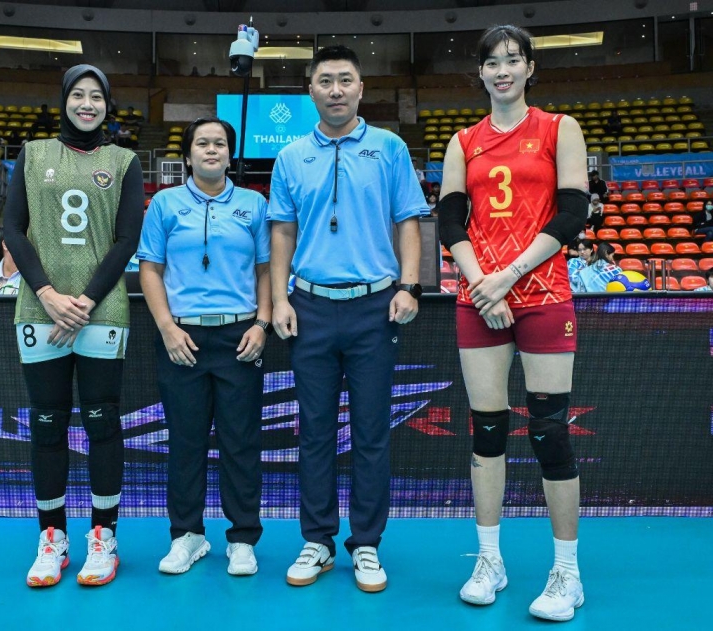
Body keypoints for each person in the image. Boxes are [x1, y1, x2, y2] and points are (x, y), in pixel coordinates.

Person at [438, 25, 589, 621]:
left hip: (543, 294)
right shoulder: (463, 141)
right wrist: (484, 285)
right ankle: (489, 561)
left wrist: (508, 277)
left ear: (529, 68)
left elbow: (572, 212)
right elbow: (451, 220)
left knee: (550, 431)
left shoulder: (558, 128)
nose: (502, 71)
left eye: (512, 60)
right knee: (487, 431)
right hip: (481, 299)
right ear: (480, 73)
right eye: (492, 62)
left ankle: (567, 572)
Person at [269, 45, 426, 593]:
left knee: (370, 433)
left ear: (361, 88)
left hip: (374, 308)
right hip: (310, 307)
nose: (335, 90)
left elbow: (408, 220)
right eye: (325, 81)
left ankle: (366, 544)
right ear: (310, 90)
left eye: (345, 80)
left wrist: (409, 285)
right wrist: (280, 299)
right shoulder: (291, 156)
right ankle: (317, 540)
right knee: (313, 431)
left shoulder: (390, 148)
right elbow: (282, 231)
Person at [3, 64, 144, 588]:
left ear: (108, 105)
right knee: (47, 423)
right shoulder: (34, 152)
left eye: (97, 97)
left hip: (101, 312)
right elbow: (12, 229)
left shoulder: (124, 161)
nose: (88, 104)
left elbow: (126, 240)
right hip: (39, 309)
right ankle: (52, 538)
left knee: (103, 421)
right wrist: (46, 293)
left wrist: (83, 302)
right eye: (78, 95)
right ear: (64, 100)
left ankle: (104, 537)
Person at [136, 117, 271, 577]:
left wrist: (263, 324)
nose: (211, 150)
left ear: (230, 155)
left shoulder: (253, 204)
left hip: (240, 337)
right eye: (202, 143)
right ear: (188, 155)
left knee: (240, 443)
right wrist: (167, 328)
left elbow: (265, 269)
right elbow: (150, 269)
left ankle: (242, 539)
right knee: (185, 443)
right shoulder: (164, 204)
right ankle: (187, 535)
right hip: (183, 339)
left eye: (219, 144)